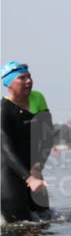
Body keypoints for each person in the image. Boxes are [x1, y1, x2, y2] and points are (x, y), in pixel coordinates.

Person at [1, 61, 53, 223]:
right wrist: (29, 178)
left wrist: (37, 168)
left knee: (45, 222)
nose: (28, 81)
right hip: (9, 173)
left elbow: (47, 137)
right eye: (22, 78)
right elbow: (5, 148)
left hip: (34, 170)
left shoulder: (37, 98)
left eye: (29, 76)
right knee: (20, 227)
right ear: (9, 83)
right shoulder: (3, 109)